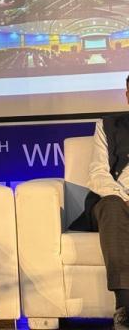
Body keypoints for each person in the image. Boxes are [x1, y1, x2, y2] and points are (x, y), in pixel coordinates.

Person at [71, 74, 129, 330]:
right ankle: (125, 308)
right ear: (127, 96)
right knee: (112, 205)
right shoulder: (108, 125)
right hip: (114, 201)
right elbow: (97, 173)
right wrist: (124, 197)